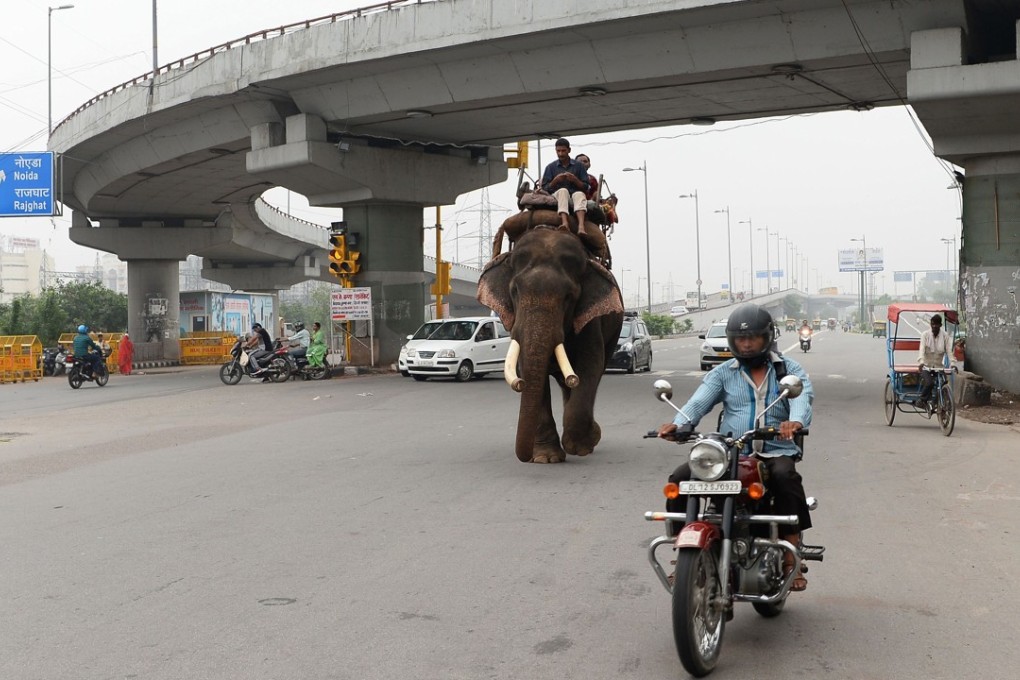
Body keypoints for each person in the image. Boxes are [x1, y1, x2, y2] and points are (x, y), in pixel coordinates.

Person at [656, 303, 815, 591]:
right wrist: (679, 425)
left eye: (751, 337)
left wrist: (794, 422)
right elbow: (698, 402)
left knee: (784, 478)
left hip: (774, 450)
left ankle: (793, 556)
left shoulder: (789, 370)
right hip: (730, 454)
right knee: (680, 479)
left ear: (767, 337)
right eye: (740, 338)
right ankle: (684, 556)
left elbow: (801, 399)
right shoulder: (723, 372)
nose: (745, 344)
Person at [540, 137, 589, 232]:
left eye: (563, 151)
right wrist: (555, 181)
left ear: (569, 150)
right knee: (563, 191)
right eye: (558, 151)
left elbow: (586, 187)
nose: (561, 154)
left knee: (579, 194)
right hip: (558, 195)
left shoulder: (579, 166)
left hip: (575, 194)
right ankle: (565, 223)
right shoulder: (550, 167)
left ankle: (581, 226)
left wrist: (575, 180)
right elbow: (545, 188)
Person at [916, 313, 953, 413]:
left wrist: (952, 363)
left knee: (943, 384)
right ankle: (922, 400)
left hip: (938, 367)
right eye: (933, 324)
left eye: (937, 324)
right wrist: (921, 362)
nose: (934, 326)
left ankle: (935, 402)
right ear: (930, 324)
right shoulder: (925, 335)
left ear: (940, 325)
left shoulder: (945, 336)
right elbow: (921, 350)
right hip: (926, 366)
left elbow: (949, 351)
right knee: (930, 383)